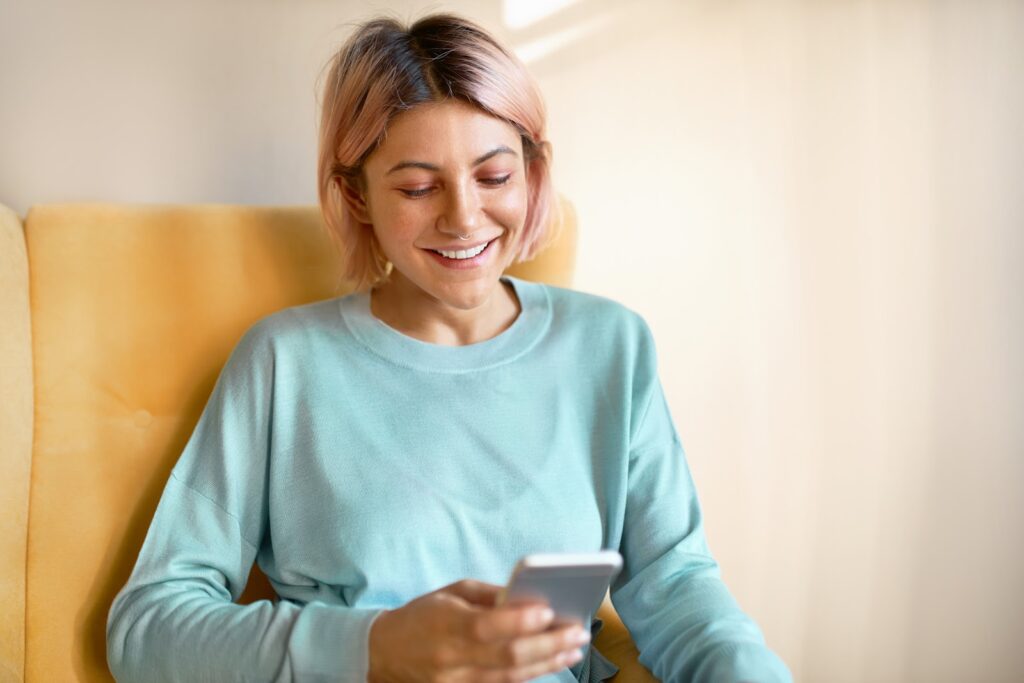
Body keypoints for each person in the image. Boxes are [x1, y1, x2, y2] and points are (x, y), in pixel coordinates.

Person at [106, 11, 793, 683]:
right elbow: (146, 627)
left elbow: (679, 591)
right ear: (357, 196)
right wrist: (373, 646)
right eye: (417, 186)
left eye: (493, 176)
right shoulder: (285, 363)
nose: (464, 217)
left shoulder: (612, 348)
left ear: (532, 172)